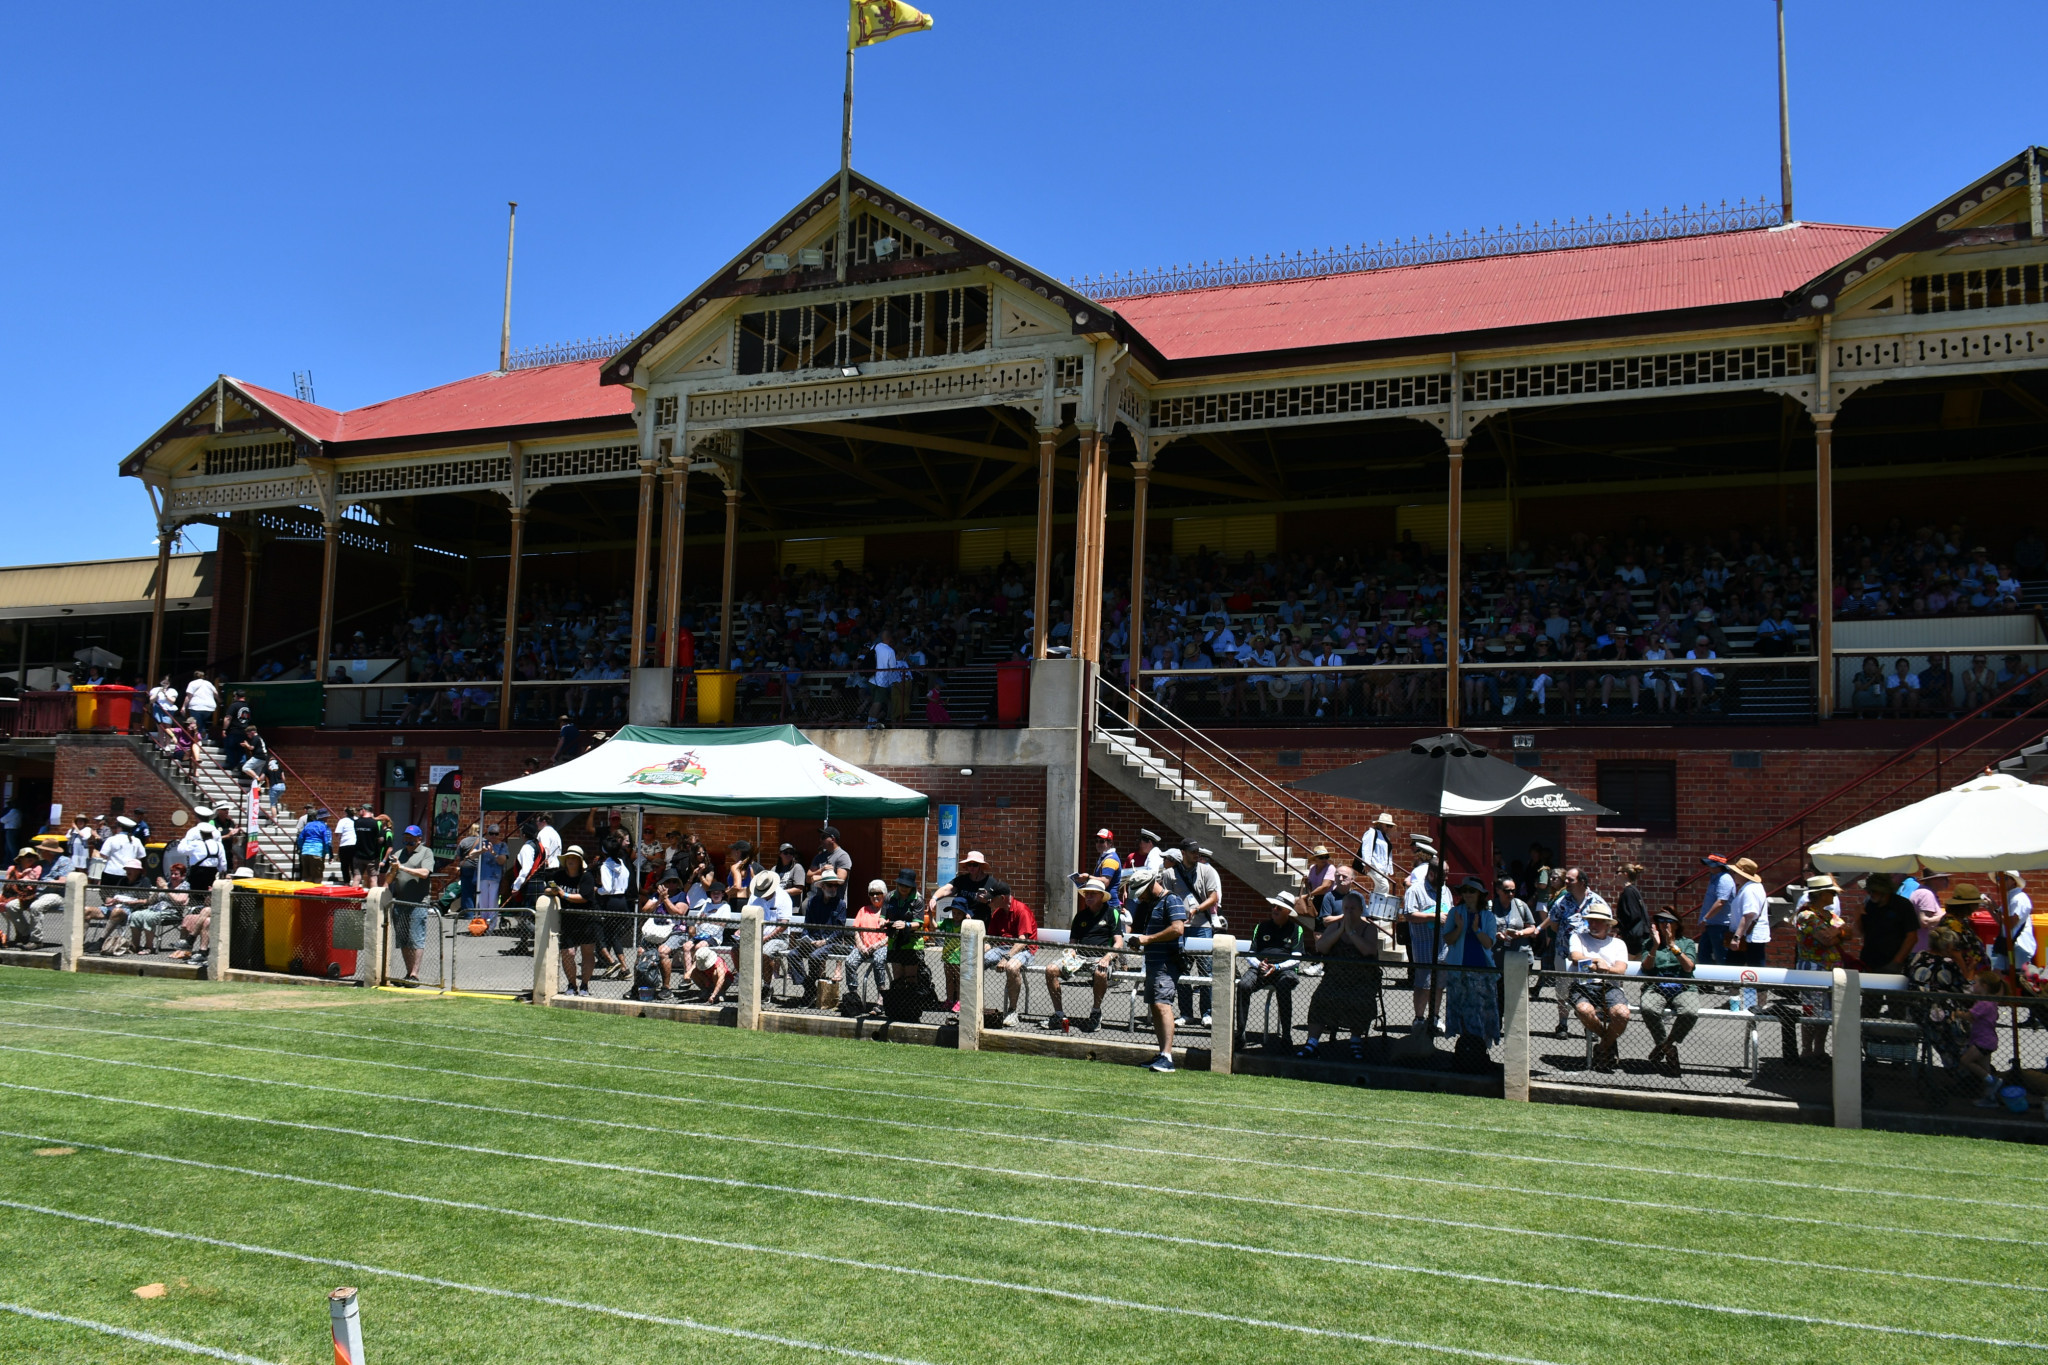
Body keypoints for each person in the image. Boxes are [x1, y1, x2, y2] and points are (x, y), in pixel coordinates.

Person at [1299, 873, 1391, 1059]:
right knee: (1319, 998)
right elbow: (1321, 946)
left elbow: (1368, 951)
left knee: (1360, 1001)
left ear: (1360, 909)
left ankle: (1355, 1040)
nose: (1349, 912)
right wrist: (1341, 929)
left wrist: (1352, 933)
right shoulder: (1335, 926)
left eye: (1353, 908)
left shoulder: (1369, 929)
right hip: (1335, 979)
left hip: (1362, 980)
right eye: (1346, 908)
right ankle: (1312, 1042)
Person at [1124, 869, 1187, 1072]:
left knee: (1162, 1005)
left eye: (1142, 892)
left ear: (1152, 885)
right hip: (1154, 963)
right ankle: (1162, 1054)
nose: (1140, 897)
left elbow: (1178, 929)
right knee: (1154, 1006)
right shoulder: (1153, 904)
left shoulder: (1172, 900)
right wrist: (1141, 942)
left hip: (1167, 964)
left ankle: (1167, 1057)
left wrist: (1148, 939)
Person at [1046, 875, 1124, 1032]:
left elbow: (1119, 943)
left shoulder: (1112, 913)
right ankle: (1059, 1014)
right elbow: (1073, 943)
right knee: (1050, 969)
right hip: (1079, 958)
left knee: (1100, 973)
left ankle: (1096, 1012)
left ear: (1101, 896)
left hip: (1101, 958)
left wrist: (1108, 957)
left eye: (1092, 893)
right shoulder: (1080, 916)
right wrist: (1071, 953)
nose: (1088, 896)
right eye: (1087, 893)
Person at [1439, 875, 1499, 1061]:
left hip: (1482, 971)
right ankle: (1466, 1048)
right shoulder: (1455, 913)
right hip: (1459, 970)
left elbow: (1489, 943)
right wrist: (1460, 927)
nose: (1467, 894)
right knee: (1462, 1009)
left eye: (1471, 891)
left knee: (1481, 1011)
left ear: (1480, 894)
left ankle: (1479, 1049)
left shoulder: (1488, 916)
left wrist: (1476, 929)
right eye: (1464, 891)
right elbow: (1448, 939)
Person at [1236, 891, 1306, 1051]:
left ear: (1288, 911)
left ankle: (1286, 1037)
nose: (1274, 909)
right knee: (1243, 985)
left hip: (1284, 970)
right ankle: (1240, 1035)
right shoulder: (1261, 927)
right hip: (1260, 968)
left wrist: (1278, 967)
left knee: (1284, 985)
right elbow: (1251, 953)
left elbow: (1297, 958)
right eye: (1273, 906)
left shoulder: (1297, 929)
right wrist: (1259, 964)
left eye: (1279, 908)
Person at [1569, 903, 1632, 1070]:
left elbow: (1620, 969)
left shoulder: (1618, 944)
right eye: (1591, 921)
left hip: (1609, 986)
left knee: (1622, 1013)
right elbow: (1575, 957)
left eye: (1597, 921)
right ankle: (1609, 1043)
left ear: (1607, 925)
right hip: (1584, 985)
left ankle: (1602, 1046)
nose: (1593, 925)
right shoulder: (1578, 937)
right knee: (1584, 1010)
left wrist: (1607, 969)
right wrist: (1596, 961)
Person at [1790, 874, 1846, 1063]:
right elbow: (1826, 939)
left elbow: (1849, 931)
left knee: (1827, 1011)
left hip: (1830, 970)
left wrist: (1839, 932)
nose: (1834, 896)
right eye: (1832, 893)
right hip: (1814, 969)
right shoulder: (1807, 915)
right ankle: (1807, 1051)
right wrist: (1840, 933)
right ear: (1822, 894)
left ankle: (1819, 1050)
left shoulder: (1827, 915)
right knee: (1812, 1010)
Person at [1638, 908, 1701, 1075]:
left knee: (1690, 1012)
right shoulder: (1649, 943)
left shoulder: (1686, 943)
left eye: (1669, 921)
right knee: (1648, 1008)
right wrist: (1656, 946)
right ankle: (1669, 1050)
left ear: (1677, 924)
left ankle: (1664, 1046)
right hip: (1656, 986)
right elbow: (1646, 967)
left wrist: (1673, 946)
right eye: (1661, 921)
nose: (1665, 925)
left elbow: (1688, 967)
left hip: (1683, 986)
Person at [1172, 840, 1222, 1026]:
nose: (1196, 855)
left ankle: (1207, 1013)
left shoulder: (1206, 871)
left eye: (1197, 852)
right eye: (1192, 852)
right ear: (1183, 852)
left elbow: (1214, 897)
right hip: (1181, 928)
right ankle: (1186, 1013)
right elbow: (1167, 896)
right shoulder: (1172, 872)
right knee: (1182, 970)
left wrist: (1197, 909)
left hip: (1202, 927)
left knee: (1205, 971)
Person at [982, 880, 1038, 1027]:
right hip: (1001, 949)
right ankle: (975, 1005)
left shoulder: (1022, 910)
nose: (989, 901)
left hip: (1023, 950)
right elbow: (990, 941)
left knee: (1012, 967)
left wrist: (1007, 958)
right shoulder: (997, 913)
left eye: (992, 898)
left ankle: (1013, 1011)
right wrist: (982, 950)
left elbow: (1023, 941)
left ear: (1002, 898)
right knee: (977, 961)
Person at [792, 867, 850, 1005]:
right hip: (813, 942)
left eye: (835, 885)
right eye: (830, 885)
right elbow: (807, 925)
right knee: (792, 954)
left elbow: (839, 931)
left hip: (832, 943)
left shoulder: (841, 904)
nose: (833, 888)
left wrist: (824, 941)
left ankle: (809, 992)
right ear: (822, 886)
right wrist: (806, 939)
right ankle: (809, 986)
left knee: (815, 956)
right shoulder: (813, 902)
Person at [388, 825, 437, 983]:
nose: (408, 840)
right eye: (406, 837)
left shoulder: (426, 852)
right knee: (403, 939)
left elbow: (425, 873)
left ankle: (415, 974)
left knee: (416, 938)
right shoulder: (398, 854)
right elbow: (389, 880)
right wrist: (394, 870)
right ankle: (408, 974)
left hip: (418, 903)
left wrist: (402, 867)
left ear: (419, 839)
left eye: (411, 837)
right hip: (400, 901)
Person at [1402, 852, 1445, 1032]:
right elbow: (1408, 914)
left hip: (1443, 948)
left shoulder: (1446, 890)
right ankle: (1419, 1019)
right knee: (1424, 985)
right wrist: (1433, 916)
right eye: (1445, 874)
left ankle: (1434, 1017)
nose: (1448, 878)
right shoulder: (1415, 890)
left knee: (1439, 985)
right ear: (1432, 874)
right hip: (1424, 947)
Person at [551, 845, 599, 997]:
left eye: (574, 858)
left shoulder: (587, 877)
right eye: (568, 858)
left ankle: (585, 985)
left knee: (587, 953)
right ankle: (572, 985)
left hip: (586, 920)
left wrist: (563, 895)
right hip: (567, 921)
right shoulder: (559, 875)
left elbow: (585, 897)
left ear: (580, 861)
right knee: (568, 953)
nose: (571, 860)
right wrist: (551, 891)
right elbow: (549, 888)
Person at [846, 880, 892, 1016]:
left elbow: (891, 935)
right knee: (849, 961)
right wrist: (860, 946)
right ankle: (853, 996)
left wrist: (877, 945)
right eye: (872, 893)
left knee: (879, 960)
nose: (875, 896)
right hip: (863, 947)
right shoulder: (863, 910)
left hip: (882, 946)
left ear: (884, 894)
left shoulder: (888, 912)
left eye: (878, 893)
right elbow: (856, 930)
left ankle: (881, 998)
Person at [1695, 853, 1738, 965]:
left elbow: (1721, 902)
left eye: (1711, 865)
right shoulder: (1715, 878)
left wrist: (1705, 918)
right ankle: (1707, 981)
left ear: (1719, 866)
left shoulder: (1724, 879)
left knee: (1721, 956)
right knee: (1703, 955)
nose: (1708, 867)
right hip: (1711, 924)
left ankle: (1725, 981)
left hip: (1720, 925)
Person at [174, 806, 226, 892]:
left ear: (197, 817)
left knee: (195, 895)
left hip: (197, 871)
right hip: (212, 871)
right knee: (209, 895)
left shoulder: (193, 832)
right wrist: (222, 872)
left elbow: (181, 850)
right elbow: (222, 860)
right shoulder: (216, 835)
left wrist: (185, 840)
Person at [1614, 863, 1652, 956]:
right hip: (1639, 937)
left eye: (1617, 872)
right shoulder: (1633, 890)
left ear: (1625, 874)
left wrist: (1617, 924)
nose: (1616, 875)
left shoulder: (1628, 892)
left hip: (1633, 940)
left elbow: (1632, 915)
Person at [296, 807, 333, 885]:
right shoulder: (325, 827)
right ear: (325, 817)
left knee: (306, 877)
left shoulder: (308, 825)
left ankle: (304, 895)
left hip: (305, 852)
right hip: (317, 853)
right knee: (317, 878)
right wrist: (330, 855)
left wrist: (301, 848)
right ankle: (315, 896)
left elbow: (300, 838)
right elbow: (328, 842)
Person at [1358, 811, 1396, 882]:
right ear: (1381, 824)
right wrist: (1367, 863)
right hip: (1374, 866)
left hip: (1382, 868)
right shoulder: (1372, 832)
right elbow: (1366, 848)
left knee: (1382, 888)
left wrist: (1388, 869)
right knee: (1384, 886)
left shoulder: (1385, 837)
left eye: (1390, 826)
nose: (1389, 828)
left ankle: (1374, 894)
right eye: (1387, 825)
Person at [183, 670, 219, 742]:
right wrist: (220, 700)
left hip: (196, 706)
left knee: (197, 724)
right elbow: (215, 693)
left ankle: (198, 740)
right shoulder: (209, 683)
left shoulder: (192, 683)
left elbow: (189, 696)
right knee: (203, 722)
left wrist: (183, 706)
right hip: (209, 706)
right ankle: (203, 734)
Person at [334, 807, 360, 885]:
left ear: (346, 813)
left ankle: (346, 882)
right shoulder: (358, 820)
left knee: (344, 865)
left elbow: (337, 833)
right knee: (354, 865)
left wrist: (339, 838)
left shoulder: (343, 821)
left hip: (345, 844)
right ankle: (356, 882)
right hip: (355, 844)